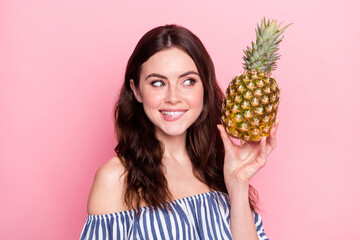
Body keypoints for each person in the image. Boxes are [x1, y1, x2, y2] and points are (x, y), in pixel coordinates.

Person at [80, 24, 279, 240]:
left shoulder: (219, 171)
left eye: (188, 81)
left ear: (205, 87)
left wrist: (238, 185)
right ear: (136, 90)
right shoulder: (116, 178)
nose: (173, 97)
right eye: (157, 83)